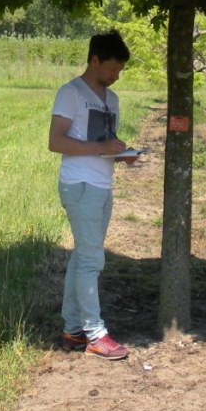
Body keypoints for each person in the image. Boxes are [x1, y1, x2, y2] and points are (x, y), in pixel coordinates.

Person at [48, 29, 134, 360]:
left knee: (82, 257)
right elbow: (56, 142)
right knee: (92, 260)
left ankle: (72, 330)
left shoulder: (112, 100)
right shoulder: (70, 93)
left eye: (120, 71)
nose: (116, 76)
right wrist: (100, 148)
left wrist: (120, 153)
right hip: (79, 185)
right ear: (94, 60)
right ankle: (95, 334)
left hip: (102, 185)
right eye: (112, 68)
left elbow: (104, 143)